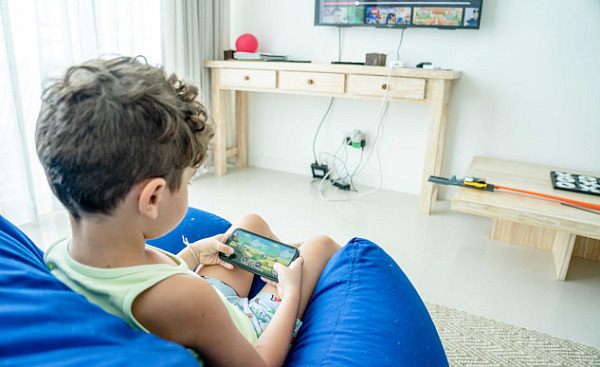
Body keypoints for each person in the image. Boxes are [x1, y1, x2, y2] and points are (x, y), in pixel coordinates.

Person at [36, 56, 341, 367]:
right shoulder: (187, 299)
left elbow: (142, 286)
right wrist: (290, 295)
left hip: (209, 305)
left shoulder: (58, 255)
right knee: (322, 246)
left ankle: (283, 261)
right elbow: (259, 362)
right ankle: (287, 272)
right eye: (187, 183)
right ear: (152, 198)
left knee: (251, 224)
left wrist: (194, 253)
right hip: (246, 327)